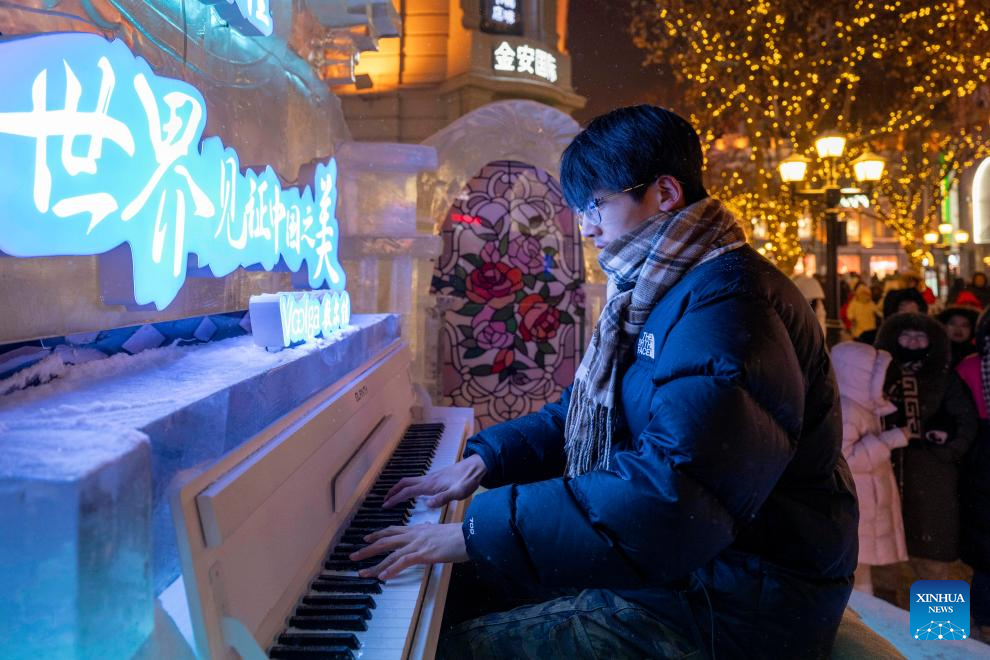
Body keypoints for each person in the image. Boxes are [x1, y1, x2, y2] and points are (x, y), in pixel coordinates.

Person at [350, 105, 858, 659]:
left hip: (730, 606)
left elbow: (673, 496)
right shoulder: (670, 284)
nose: (585, 225)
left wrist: (475, 531)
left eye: (597, 204)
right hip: (691, 574)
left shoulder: (730, 307)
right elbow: (594, 408)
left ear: (665, 193)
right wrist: (488, 458)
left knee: (445, 645)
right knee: (454, 593)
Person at [873, 313, 977, 606]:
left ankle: (940, 639)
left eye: (921, 337)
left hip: (933, 480)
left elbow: (965, 421)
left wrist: (947, 451)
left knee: (933, 559)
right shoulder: (878, 375)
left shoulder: (944, 378)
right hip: (886, 473)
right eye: (907, 336)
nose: (913, 342)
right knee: (884, 562)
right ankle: (887, 640)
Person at [832, 342, 908, 595]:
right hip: (863, 510)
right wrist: (891, 439)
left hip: (871, 508)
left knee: (868, 578)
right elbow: (845, 458)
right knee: (860, 580)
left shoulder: (865, 407)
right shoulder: (848, 410)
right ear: (860, 375)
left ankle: (937, 631)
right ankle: (871, 629)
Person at [954, 309, 990, 641]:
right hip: (940, 481)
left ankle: (943, 641)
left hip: (955, 471)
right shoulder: (966, 368)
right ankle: (943, 639)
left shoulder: (965, 367)